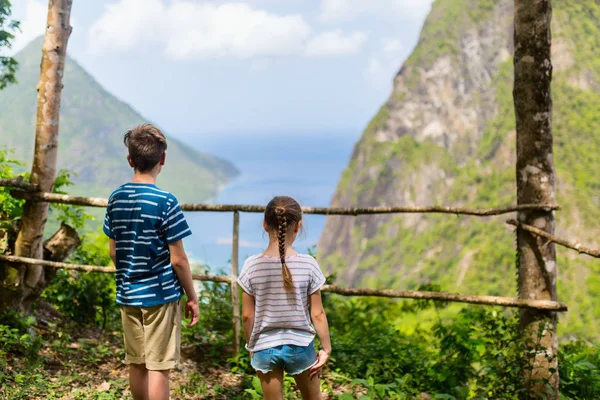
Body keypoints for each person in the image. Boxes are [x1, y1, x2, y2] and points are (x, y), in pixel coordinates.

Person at [103, 123, 199, 400]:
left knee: (137, 362)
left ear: (130, 159)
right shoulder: (166, 201)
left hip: (128, 293)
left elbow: (114, 252)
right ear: (163, 159)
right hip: (160, 295)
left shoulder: (116, 197)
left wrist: (130, 275)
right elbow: (178, 259)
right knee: (159, 367)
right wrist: (192, 296)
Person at [238, 196, 332, 400]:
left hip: (264, 346)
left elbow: (247, 315)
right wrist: (326, 348)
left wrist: (251, 346)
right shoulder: (308, 264)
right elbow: (317, 314)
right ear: (298, 226)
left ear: (265, 224)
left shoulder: (251, 265)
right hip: (301, 345)